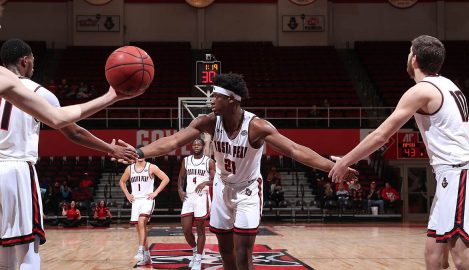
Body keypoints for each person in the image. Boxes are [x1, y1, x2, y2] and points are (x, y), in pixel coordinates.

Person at [113, 73, 357, 270]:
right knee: (225, 252)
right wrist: (139, 152)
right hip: (221, 187)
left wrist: (333, 166)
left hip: (248, 190)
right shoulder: (207, 121)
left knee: (243, 255)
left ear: (231, 99)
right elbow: (174, 141)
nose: (211, 100)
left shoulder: (257, 127)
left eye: (216, 96)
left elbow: (294, 149)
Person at [329, 35, 469, 269]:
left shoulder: (422, 91)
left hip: (457, 174)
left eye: (410, 52)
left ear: (415, 59)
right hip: (454, 176)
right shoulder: (451, 87)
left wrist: (344, 162)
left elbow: (381, 135)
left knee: (464, 259)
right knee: (434, 257)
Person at [0, 39, 139, 270]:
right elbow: (72, 131)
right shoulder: (38, 92)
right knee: (27, 254)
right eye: (32, 58)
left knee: (3, 256)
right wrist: (111, 148)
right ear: (25, 61)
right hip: (16, 170)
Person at [119, 150, 170, 266]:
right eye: (137, 153)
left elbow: (166, 178)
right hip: (136, 201)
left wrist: (155, 192)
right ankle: (147, 256)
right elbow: (122, 182)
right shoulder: (129, 169)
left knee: (142, 222)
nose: (139, 156)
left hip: (147, 200)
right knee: (140, 229)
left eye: (141, 153)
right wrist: (127, 194)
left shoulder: (151, 167)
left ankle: (140, 250)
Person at [178, 138, 215, 270]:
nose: (196, 145)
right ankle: (195, 250)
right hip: (189, 197)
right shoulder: (186, 161)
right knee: (186, 229)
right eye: (194, 144)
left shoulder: (209, 162)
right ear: (191, 146)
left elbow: (216, 180)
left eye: (199, 144)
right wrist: (180, 190)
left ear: (203, 146)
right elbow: (181, 177)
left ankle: (198, 258)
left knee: (200, 230)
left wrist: (205, 183)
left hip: (201, 197)